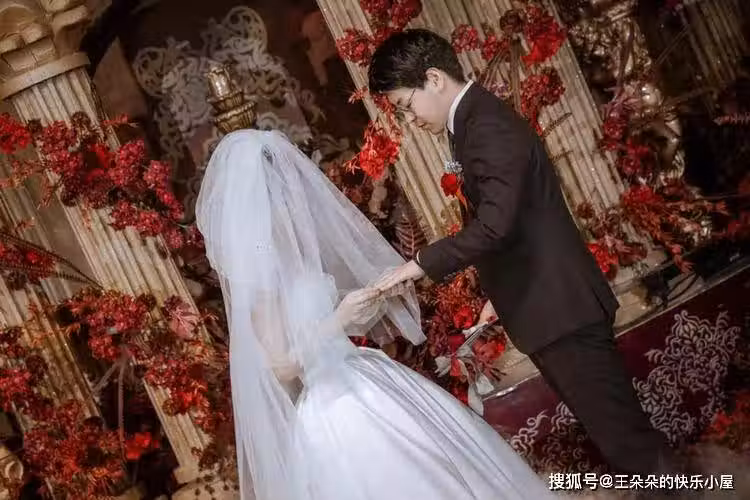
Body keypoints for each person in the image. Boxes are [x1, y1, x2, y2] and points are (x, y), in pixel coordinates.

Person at [368, 29, 676, 480]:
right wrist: (500, 294)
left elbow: (495, 225)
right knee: (622, 442)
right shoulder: (472, 123)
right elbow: (519, 222)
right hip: (549, 307)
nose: (409, 119)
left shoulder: (485, 127)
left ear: (433, 78)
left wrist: (418, 264)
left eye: (406, 105)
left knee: (630, 445)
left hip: (562, 311)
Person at [195, 129, 556, 500]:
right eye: (281, 192)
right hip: (333, 406)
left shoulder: (297, 254)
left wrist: (371, 301)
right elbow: (280, 367)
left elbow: (320, 321)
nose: (293, 198)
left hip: (361, 373)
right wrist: (339, 320)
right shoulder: (259, 279)